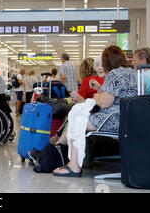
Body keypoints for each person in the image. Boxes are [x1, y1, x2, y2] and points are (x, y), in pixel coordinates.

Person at [53, 45, 137, 177]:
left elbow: (104, 103)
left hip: (114, 119)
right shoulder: (132, 72)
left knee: (77, 120)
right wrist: (101, 90)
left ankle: (73, 166)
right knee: (79, 118)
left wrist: (97, 96)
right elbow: (118, 95)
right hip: (129, 118)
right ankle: (63, 151)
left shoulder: (115, 74)